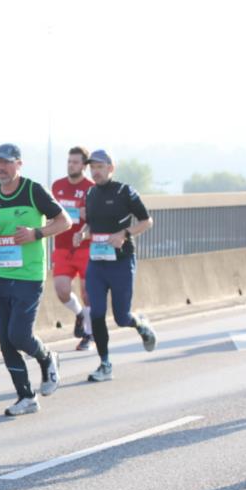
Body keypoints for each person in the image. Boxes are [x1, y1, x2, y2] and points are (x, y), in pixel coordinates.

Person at [0, 143, 71, 415]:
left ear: (19, 164)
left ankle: (47, 358)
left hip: (29, 276)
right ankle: (26, 397)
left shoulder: (33, 190)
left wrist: (36, 233)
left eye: (7, 162)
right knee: (5, 341)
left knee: (19, 335)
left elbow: (65, 221)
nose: (1, 167)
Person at [77, 150, 157, 382]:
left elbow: (146, 221)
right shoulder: (90, 193)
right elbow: (91, 224)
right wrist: (82, 233)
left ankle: (140, 324)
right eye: (92, 167)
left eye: (100, 167)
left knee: (121, 318)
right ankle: (105, 365)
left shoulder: (124, 191)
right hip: (97, 263)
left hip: (121, 263)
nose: (95, 171)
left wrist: (124, 233)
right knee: (97, 313)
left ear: (111, 168)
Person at [51, 146, 95, 351]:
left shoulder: (91, 188)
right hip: (62, 246)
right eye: (69, 161)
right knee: (62, 290)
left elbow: (98, 219)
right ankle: (79, 314)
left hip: (85, 247)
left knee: (87, 293)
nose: (71, 165)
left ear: (84, 165)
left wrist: (87, 215)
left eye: (76, 162)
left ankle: (89, 334)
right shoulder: (57, 186)